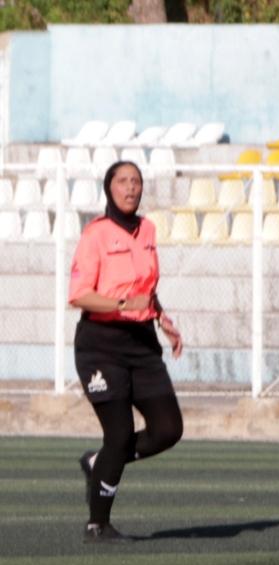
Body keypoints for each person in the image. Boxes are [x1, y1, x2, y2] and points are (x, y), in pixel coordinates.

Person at [70, 160, 184, 542]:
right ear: (109, 188)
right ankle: (97, 524)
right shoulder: (95, 234)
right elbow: (79, 295)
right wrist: (122, 305)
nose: (131, 187)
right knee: (118, 434)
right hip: (101, 346)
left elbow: (146, 289)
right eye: (123, 181)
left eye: (136, 181)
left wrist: (162, 318)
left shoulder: (148, 229)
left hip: (142, 343)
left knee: (168, 429)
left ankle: (98, 463)